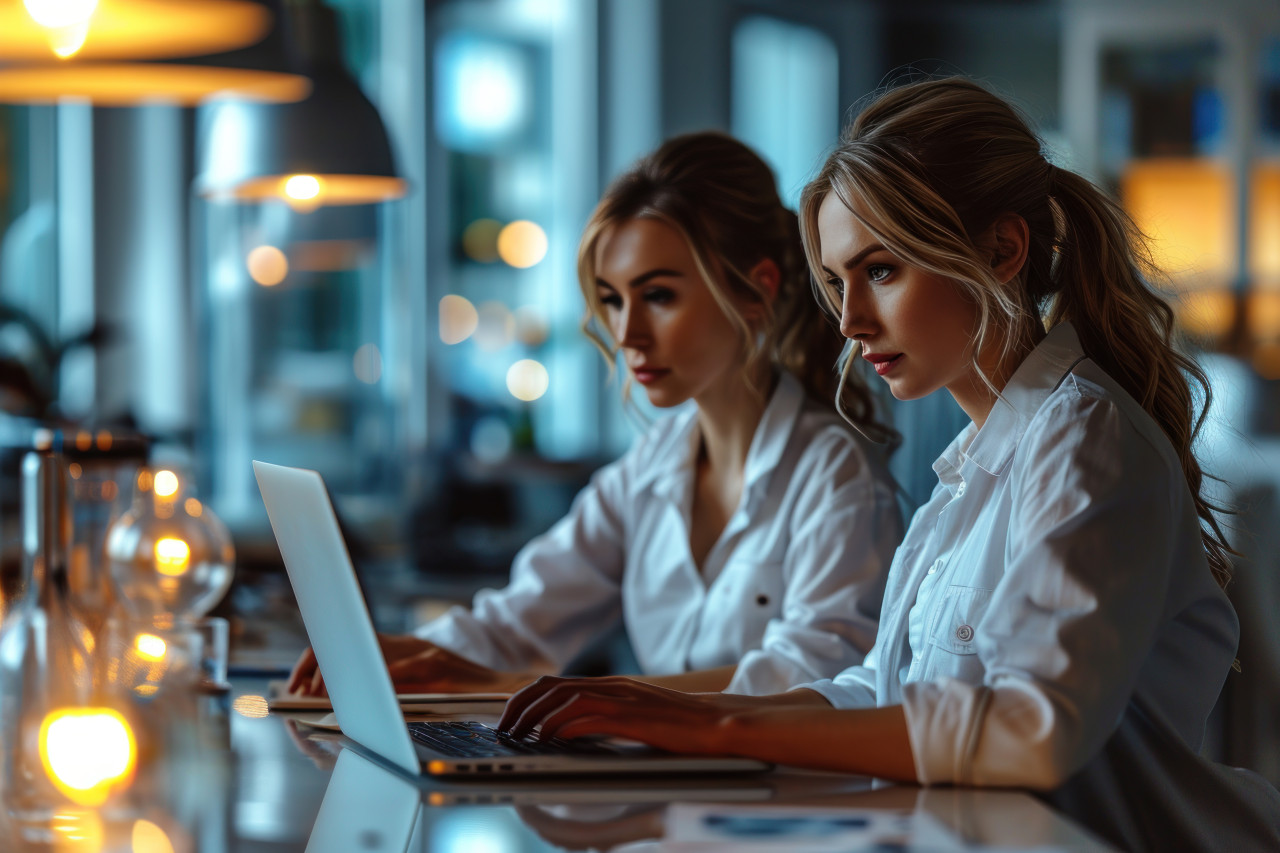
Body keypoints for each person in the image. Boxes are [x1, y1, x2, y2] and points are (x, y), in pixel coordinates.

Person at [498, 79, 1280, 851]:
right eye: (837, 282)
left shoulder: (1087, 439)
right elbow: (876, 690)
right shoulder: (971, 471)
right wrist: (652, 711)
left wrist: (712, 721)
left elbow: (1033, 731)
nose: (849, 320)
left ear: (1002, 251)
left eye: (880, 271)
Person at [290, 132, 903, 699]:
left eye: (659, 296)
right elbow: (521, 620)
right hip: (671, 801)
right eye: (612, 301)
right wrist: (402, 657)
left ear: (755, 289)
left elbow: (816, 676)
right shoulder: (653, 467)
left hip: (796, 810)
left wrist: (607, 697)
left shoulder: (835, 474)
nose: (627, 333)